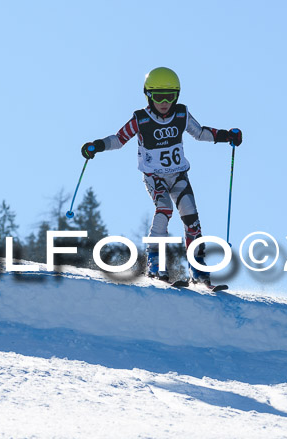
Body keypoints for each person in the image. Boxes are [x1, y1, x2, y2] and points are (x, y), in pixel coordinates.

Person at [81, 67, 242, 285]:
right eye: (158, 97)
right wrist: (97, 146)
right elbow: (119, 140)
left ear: (177, 96)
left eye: (170, 96)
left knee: (191, 218)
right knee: (164, 209)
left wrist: (226, 136)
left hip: (178, 175)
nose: (164, 102)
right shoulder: (141, 119)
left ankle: (199, 270)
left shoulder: (181, 114)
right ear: (148, 95)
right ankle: (155, 265)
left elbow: (200, 133)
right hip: (154, 177)